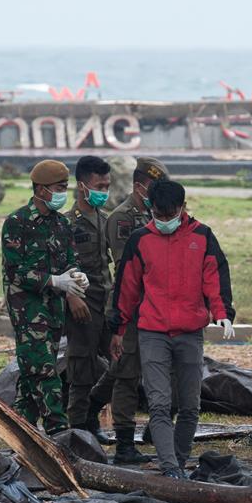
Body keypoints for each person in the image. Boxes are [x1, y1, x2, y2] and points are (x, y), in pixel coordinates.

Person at [109, 180, 235, 478]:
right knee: (159, 403)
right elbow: (127, 287)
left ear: (182, 208)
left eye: (170, 214)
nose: (165, 221)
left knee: (190, 405)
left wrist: (223, 313)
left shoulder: (202, 236)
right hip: (152, 332)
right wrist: (118, 328)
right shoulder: (140, 240)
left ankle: (178, 460)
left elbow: (214, 277)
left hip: (190, 332)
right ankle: (169, 468)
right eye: (159, 215)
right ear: (151, 209)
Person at [86, 157, 170, 464]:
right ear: (139, 187)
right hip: (132, 306)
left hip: (160, 307)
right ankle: (123, 441)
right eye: (155, 188)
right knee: (127, 372)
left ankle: (153, 427)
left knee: (157, 367)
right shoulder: (121, 219)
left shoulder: (160, 214)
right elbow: (127, 271)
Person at [2, 159, 89, 436]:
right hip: (27, 311)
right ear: (41, 190)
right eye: (59, 187)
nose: (64, 193)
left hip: (54, 310)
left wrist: (76, 277)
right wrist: (53, 280)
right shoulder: (17, 223)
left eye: (66, 187)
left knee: (32, 377)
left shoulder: (61, 223)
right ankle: (59, 432)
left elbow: (70, 260)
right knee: (43, 372)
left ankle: (17, 430)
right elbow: (15, 272)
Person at [63, 156, 113, 443]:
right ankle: (80, 430)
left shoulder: (106, 220)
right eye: (99, 186)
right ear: (82, 186)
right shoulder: (67, 224)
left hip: (107, 304)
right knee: (81, 368)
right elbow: (59, 266)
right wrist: (71, 296)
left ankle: (93, 411)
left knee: (124, 363)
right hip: (82, 304)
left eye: (107, 186)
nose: (103, 191)